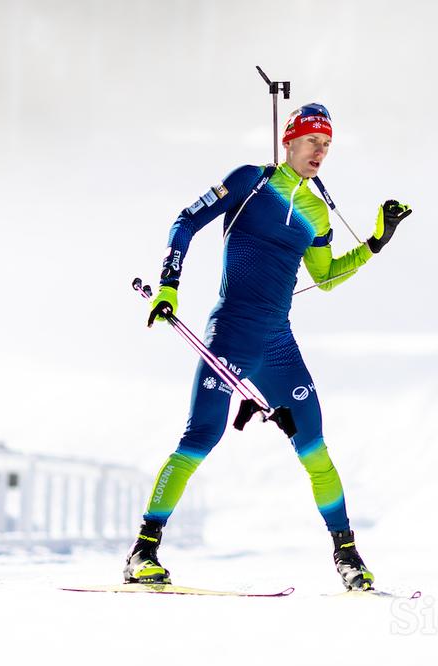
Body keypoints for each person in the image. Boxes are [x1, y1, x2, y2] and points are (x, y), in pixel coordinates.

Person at [124, 103, 412, 590]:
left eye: (328, 144)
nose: (321, 151)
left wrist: (374, 244)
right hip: (231, 333)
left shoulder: (318, 211)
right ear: (290, 141)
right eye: (313, 141)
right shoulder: (248, 180)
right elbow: (185, 221)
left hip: (278, 343)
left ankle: (347, 555)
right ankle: (142, 552)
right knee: (200, 439)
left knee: (315, 448)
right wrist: (169, 285)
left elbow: (325, 278)